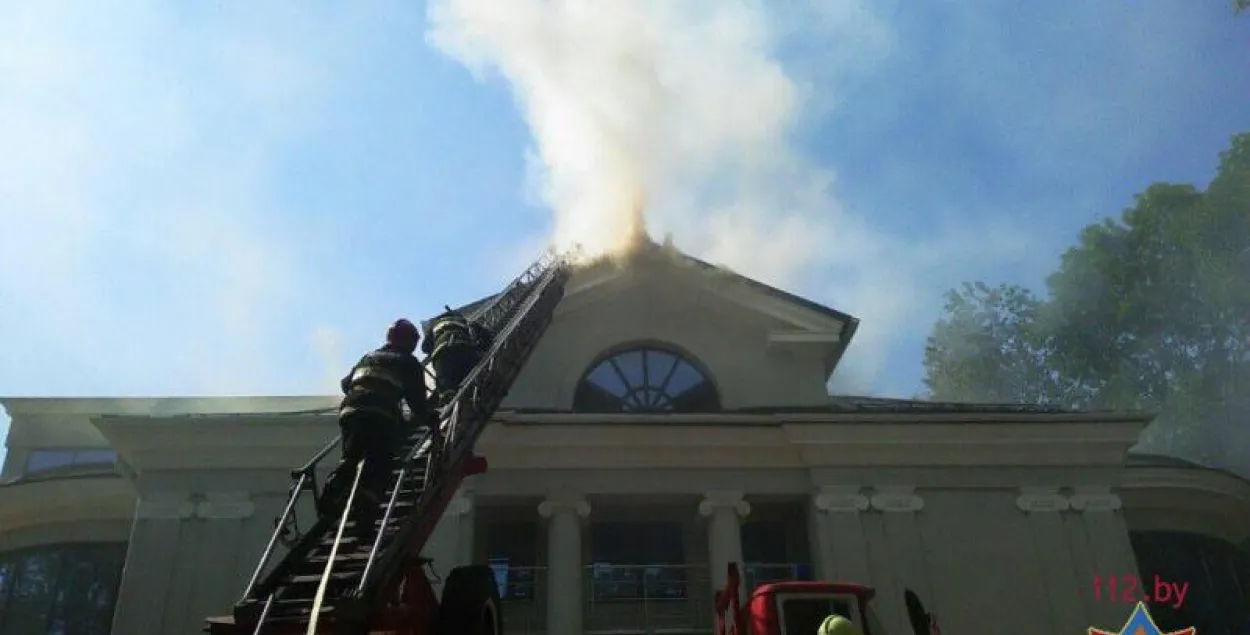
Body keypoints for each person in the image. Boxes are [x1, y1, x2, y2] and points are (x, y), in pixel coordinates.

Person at [319, 319, 431, 539]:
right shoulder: (408, 362)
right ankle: (364, 514)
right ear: (408, 341)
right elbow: (418, 403)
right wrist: (429, 418)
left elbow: (345, 383)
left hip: (351, 412)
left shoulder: (369, 356)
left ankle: (333, 493)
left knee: (351, 457)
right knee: (379, 464)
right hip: (380, 416)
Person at [422, 307, 495, 406]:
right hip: (464, 349)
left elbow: (425, 347)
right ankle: (476, 393)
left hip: (443, 354)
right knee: (471, 375)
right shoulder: (464, 321)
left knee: (445, 383)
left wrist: (434, 346)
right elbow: (487, 337)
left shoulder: (434, 325)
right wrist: (480, 346)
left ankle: (448, 396)